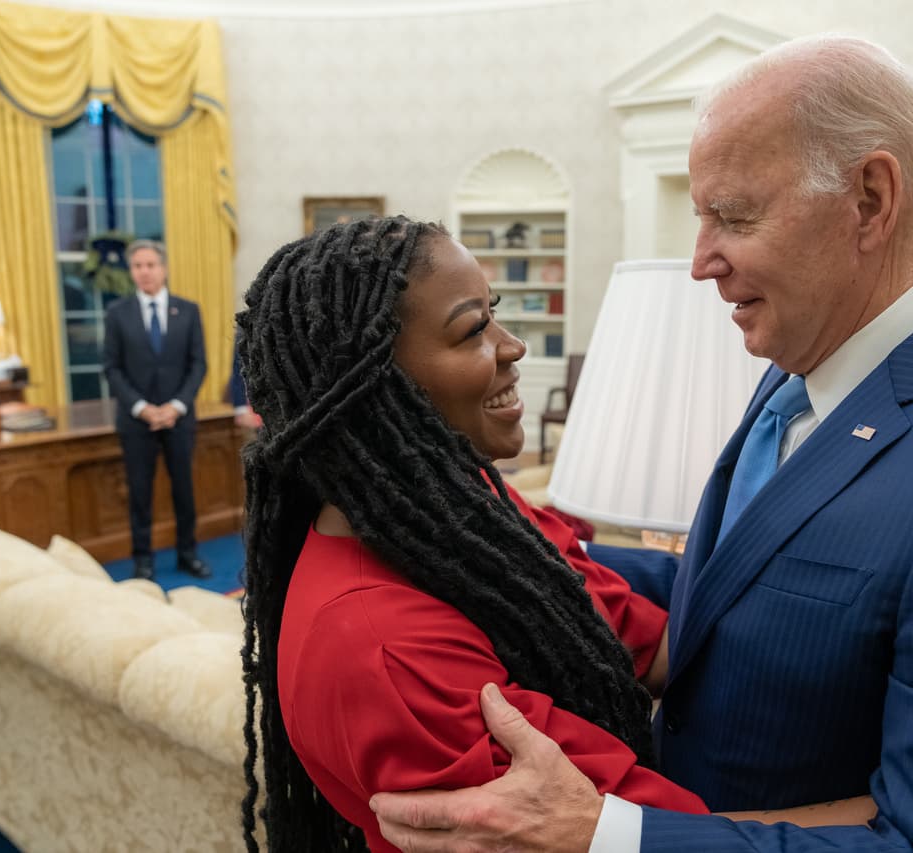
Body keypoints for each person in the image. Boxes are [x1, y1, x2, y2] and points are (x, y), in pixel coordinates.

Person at [369, 35, 913, 853]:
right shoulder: (795, 372)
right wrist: (496, 541)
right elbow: (736, 586)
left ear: (871, 200)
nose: (701, 262)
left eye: (733, 217)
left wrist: (610, 837)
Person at [238, 217, 736, 853]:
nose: (513, 346)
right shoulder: (386, 650)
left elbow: (653, 647)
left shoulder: (475, 517)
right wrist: (889, 827)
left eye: (494, 314)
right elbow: (668, 836)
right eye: (474, 329)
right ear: (375, 391)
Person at [102, 239, 211, 581]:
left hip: (179, 419)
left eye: (150, 265)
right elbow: (112, 368)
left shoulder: (188, 310)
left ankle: (187, 553)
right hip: (137, 422)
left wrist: (176, 407)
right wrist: (142, 408)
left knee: (184, 490)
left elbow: (198, 365)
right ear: (131, 271)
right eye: (138, 266)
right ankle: (143, 559)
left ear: (163, 268)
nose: (144, 271)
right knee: (140, 491)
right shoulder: (117, 313)